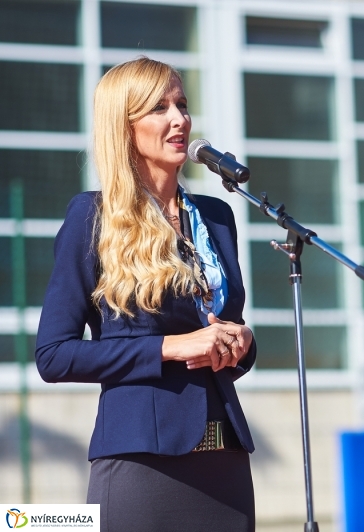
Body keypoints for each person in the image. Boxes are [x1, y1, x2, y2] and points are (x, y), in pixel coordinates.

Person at [35, 57, 257, 532]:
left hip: (227, 462)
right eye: (159, 108)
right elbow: (54, 356)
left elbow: (222, 328)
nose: (179, 119)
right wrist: (171, 347)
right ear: (124, 125)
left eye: (181, 104)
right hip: (143, 461)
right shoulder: (91, 218)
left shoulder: (217, 216)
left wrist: (241, 342)